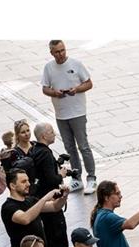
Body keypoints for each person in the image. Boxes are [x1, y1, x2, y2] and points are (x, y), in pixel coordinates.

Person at [40, 40, 96, 194]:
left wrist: (76, 89)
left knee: (83, 146)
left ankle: (92, 178)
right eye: (57, 52)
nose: (61, 54)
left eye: (63, 50)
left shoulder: (76, 64)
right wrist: (54, 93)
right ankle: (77, 178)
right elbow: (45, 88)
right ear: (51, 52)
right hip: (61, 114)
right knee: (70, 148)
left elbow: (89, 83)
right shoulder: (49, 67)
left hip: (77, 112)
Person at [0, 169, 67, 247]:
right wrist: (45, 198)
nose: (28, 184)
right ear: (12, 186)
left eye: (28, 180)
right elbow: (25, 218)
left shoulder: (30, 200)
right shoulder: (8, 207)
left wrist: (64, 196)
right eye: (24, 182)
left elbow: (55, 207)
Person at [30, 122, 70, 247]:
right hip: (50, 200)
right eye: (52, 131)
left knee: (50, 235)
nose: (54, 134)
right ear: (44, 135)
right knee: (58, 238)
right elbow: (51, 179)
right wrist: (61, 175)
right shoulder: (45, 153)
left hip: (40, 199)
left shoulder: (35, 150)